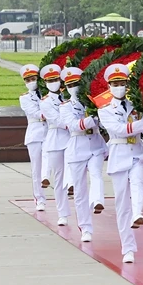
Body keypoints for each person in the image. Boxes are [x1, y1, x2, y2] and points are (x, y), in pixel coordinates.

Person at [97, 64, 143, 264]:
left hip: (137, 152)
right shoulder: (104, 110)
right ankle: (127, 248)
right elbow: (119, 130)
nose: (119, 86)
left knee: (138, 182)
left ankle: (138, 213)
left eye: (122, 83)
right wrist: (142, 124)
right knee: (121, 204)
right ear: (109, 86)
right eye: (115, 84)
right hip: (119, 155)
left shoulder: (136, 106)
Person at [59, 67, 108, 243]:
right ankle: (86, 228)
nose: (75, 87)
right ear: (66, 87)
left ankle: (97, 201)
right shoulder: (65, 107)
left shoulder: (92, 101)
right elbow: (73, 125)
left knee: (96, 173)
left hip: (95, 143)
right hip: (77, 146)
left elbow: (103, 123)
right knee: (79, 191)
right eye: (71, 84)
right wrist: (93, 118)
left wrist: (100, 116)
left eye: (77, 83)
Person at [39, 64, 71, 226]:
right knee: (59, 179)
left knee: (73, 177)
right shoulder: (45, 102)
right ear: (45, 83)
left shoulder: (68, 96)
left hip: (72, 139)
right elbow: (56, 120)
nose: (54, 83)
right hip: (56, 140)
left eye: (56, 79)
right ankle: (62, 213)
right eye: (50, 81)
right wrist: (74, 123)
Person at [19, 64, 47, 212]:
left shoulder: (48, 94)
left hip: (50, 133)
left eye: (33, 78)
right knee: (37, 169)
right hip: (35, 134)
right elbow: (36, 112)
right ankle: (39, 198)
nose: (31, 81)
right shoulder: (24, 98)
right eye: (28, 79)